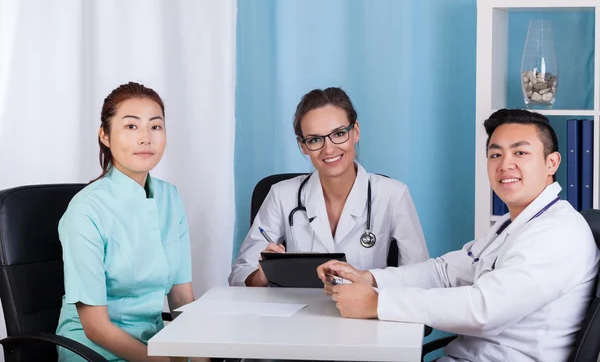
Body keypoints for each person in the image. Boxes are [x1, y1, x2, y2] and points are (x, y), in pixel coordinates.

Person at [317, 108, 600, 362]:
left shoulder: (557, 233)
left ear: (552, 163)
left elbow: (483, 310)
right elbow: (444, 272)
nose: (505, 164)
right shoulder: (513, 223)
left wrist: (377, 303)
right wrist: (370, 278)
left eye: (520, 152)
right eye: (495, 154)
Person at [230, 87, 429, 287]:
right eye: (315, 139)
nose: (329, 148)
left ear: (355, 132)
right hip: (299, 314)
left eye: (339, 133)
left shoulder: (392, 195)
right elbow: (239, 273)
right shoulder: (281, 195)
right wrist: (262, 274)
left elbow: (421, 276)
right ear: (303, 146)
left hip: (366, 314)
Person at [56, 82, 199, 362]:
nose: (146, 138)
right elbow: (96, 328)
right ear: (105, 136)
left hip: (156, 344)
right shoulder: (86, 209)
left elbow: (182, 299)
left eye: (155, 127)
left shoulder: (170, 198)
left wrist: (197, 355)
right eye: (131, 127)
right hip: (93, 350)